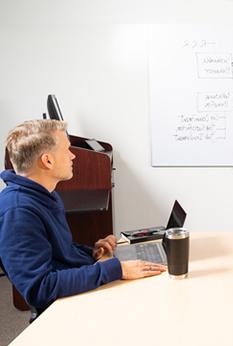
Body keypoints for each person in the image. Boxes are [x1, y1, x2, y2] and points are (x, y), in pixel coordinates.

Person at [0, 120, 166, 317]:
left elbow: (60, 252)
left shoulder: (45, 194)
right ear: (47, 161)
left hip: (78, 284)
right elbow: (39, 288)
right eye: (67, 150)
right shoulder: (18, 212)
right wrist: (113, 269)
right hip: (62, 309)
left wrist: (93, 252)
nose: (73, 155)